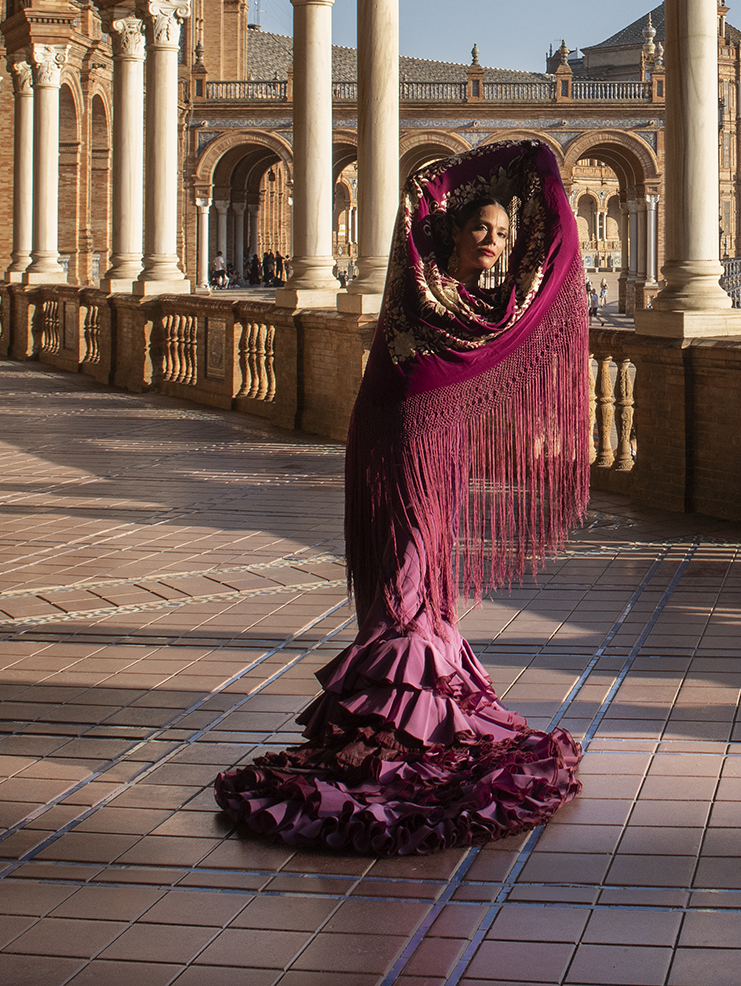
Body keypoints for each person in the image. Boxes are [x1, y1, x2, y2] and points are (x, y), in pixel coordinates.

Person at [215, 140, 589, 855]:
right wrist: (528, 152)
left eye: (503, 233)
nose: (492, 240)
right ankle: (392, 724)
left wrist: (543, 182)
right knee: (405, 562)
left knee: (425, 566)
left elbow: (549, 268)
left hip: (435, 438)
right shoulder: (416, 281)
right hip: (398, 434)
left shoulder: (483, 307)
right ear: (447, 229)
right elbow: (424, 181)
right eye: (479, 226)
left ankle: (414, 704)